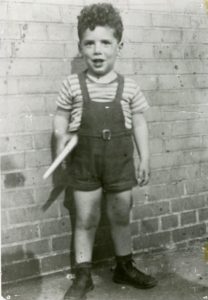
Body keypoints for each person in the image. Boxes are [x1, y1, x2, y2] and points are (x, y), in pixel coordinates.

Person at [53, 3, 157, 300]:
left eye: (105, 42)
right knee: (85, 218)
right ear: (80, 47)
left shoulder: (130, 88)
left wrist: (145, 157)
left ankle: (124, 266)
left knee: (121, 215)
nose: (97, 50)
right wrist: (60, 137)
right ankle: (83, 275)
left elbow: (139, 122)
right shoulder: (72, 84)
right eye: (89, 43)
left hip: (120, 163)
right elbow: (61, 116)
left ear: (119, 46)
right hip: (84, 163)